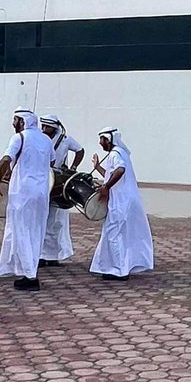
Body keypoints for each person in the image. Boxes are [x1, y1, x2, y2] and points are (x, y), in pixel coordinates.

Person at [0, 109, 53, 290]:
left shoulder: (19, 138)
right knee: (36, 231)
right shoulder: (46, 140)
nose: (13, 124)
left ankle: (29, 276)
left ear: (22, 122)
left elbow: (4, 160)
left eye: (15, 120)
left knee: (21, 231)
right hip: (41, 193)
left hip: (23, 193)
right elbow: (51, 162)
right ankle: (26, 269)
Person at [90, 128, 154, 281]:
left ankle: (119, 270)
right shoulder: (121, 153)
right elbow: (111, 173)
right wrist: (98, 166)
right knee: (119, 234)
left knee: (113, 234)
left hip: (120, 202)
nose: (100, 143)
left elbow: (120, 170)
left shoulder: (115, 154)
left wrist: (106, 187)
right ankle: (118, 267)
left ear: (109, 140)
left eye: (102, 140)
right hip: (126, 200)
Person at [41, 115, 85, 267]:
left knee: (55, 221)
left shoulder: (65, 140)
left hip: (58, 181)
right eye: (43, 126)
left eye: (47, 127)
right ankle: (41, 255)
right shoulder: (42, 139)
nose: (44, 129)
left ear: (55, 128)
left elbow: (80, 150)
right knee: (42, 220)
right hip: (44, 180)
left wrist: (72, 168)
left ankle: (52, 255)